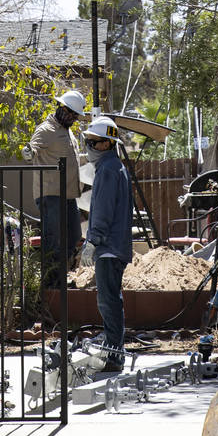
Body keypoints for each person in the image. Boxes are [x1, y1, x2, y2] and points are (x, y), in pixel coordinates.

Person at [82, 115, 132, 373]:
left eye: (93, 141)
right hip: (115, 247)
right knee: (112, 300)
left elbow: (102, 210)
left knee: (108, 302)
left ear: (106, 144)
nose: (89, 146)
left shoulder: (108, 169)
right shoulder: (115, 167)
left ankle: (114, 357)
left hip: (109, 248)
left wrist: (93, 241)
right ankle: (115, 351)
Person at [26, 90, 86, 287]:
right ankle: (52, 285)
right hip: (51, 194)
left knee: (75, 236)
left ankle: (60, 277)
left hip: (68, 195)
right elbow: (32, 149)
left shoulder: (67, 132)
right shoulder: (46, 129)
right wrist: (28, 152)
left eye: (75, 115)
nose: (72, 118)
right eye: (70, 113)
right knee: (55, 240)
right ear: (61, 108)